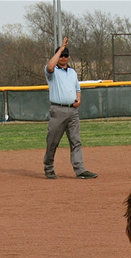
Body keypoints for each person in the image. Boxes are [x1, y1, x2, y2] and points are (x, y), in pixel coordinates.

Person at [43, 37, 97, 180]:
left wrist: (79, 99)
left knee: (76, 140)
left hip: (73, 111)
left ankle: (80, 170)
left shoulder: (72, 72)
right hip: (58, 110)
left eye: (66, 55)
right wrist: (60, 48)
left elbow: (77, 88)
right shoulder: (52, 72)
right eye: (61, 55)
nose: (64, 57)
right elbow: (49, 67)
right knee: (53, 141)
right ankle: (49, 168)